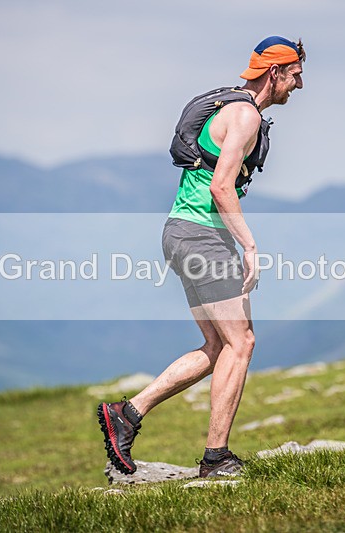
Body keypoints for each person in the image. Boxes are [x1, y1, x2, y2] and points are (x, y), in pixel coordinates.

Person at [98, 36, 305, 478]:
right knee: (241, 343)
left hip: (181, 232)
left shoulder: (230, 107)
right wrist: (250, 246)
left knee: (219, 346)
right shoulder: (245, 115)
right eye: (295, 75)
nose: (300, 85)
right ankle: (216, 458)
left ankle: (126, 414)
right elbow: (221, 186)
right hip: (202, 237)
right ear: (275, 72)